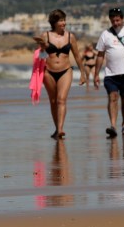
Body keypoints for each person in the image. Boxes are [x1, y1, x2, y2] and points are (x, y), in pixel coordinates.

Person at [32, 9, 86, 139]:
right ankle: (57, 129)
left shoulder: (70, 37)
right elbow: (40, 57)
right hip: (48, 72)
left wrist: (82, 73)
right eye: (61, 20)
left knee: (61, 99)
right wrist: (43, 48)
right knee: (53, 101)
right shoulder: (45, 36)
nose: (64, 23)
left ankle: (61, 129)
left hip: (66, 71)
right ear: (54, 22)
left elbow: (77, 56)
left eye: (64, 20)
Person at [93, 7, 124, 138]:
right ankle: (113, 126)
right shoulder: (105, 34)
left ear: (122, 18)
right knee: (113, 97)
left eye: (117, 20)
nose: (115, 23)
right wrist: (96, 74)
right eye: (113, 20)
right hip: (111, 74)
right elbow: (100, 55)